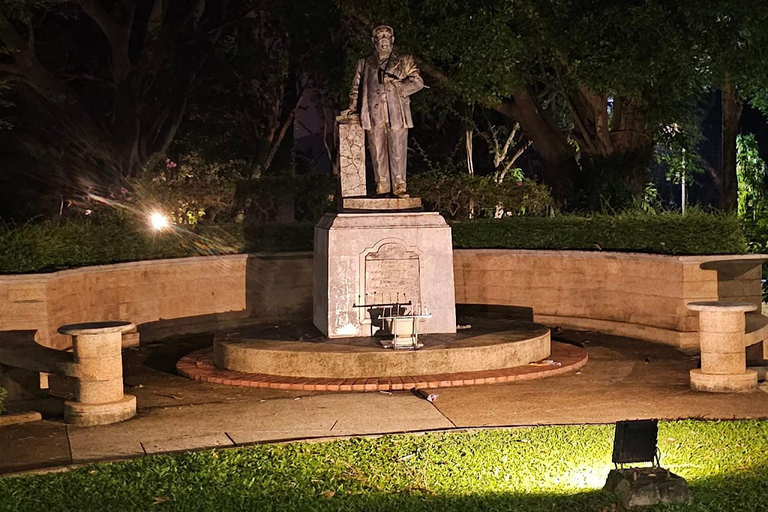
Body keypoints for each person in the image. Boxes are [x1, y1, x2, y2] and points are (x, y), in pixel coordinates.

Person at [342, 25, 424, 198]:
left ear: (393, 39)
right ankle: (382, 186)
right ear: (374, 41)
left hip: (397, 112)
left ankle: (400, 185)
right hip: (373, 112)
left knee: (397, 149)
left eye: (387, 35)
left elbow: (418, 82)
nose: (383, 39)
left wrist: (400, 85)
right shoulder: (364, 63)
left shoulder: (404, 60)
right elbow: (356, 87)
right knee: (377, 150)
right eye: (380, 36)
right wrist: (352, 106)